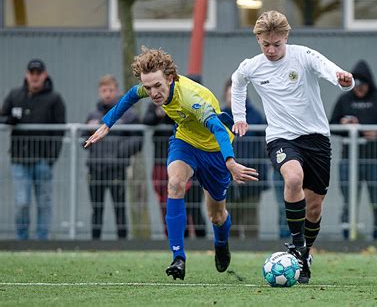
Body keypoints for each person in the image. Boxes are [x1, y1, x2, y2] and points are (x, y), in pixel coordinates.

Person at [85, 46, 258, 280]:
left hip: (215, 150)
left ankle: (221, 242)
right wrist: (107, 124)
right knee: (174, 184)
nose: (153, 93)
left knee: (216, 215)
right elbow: (131, 96)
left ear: (170, 77)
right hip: (184, 142)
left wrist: (230, 161)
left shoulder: (190, 98)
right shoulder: (151, 87)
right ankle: (178, 257)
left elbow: (217, 127)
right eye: (149, 87)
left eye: (157, 86)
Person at [231, 11, 354, 283]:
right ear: (258, 40)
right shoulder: (252, 66)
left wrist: (342, 78)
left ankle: (305, 253)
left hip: (317, 138)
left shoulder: (303, 55)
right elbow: (237, 83)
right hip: (281, 138)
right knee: (293, 177)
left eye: (277, 44)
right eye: (266, 45)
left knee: (314, 207)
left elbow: (328, 68)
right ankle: (297, 244)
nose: (271, 50)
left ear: (286, 37)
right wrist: (239, 116)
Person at [329, 60, 377, 240]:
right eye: (357, 85)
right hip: (348, 160)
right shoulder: (344, 99)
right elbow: (331, 124)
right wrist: (343, 125)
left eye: (363, 85)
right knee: (349, 201)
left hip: (375, 160)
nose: (359, 89)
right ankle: (348, 237)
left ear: (370, 83)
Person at [0, 59, 65, 240]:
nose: (35, 77)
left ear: (45, 75)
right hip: (19, 160)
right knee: (22, 202)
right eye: (32, 73)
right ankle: (22, 240)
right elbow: (2, 116)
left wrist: (51, 158)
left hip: (43, 161)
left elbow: (60, 130)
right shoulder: (14, 95)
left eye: (38, 73)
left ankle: (42, 241)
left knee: (44, 203)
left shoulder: (55, 99)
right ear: (26, 75)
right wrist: (9, 121)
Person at [83, 74, 142, 240]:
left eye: (111, 90)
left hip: (117, 169)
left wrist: (120, 153)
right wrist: (88, 131)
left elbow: (138, 139)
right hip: (95, 168)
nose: (107, 93)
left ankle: (122, 242)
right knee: (96, 208)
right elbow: (82, 140)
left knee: (119, 207)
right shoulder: (92, 116)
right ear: (99, 92)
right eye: (104, 90)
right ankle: (95, 242)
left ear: (117, 91)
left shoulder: (129, 115)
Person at [143, 102, 207, 238]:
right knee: (168, 203)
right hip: (162, 160)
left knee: (191, 203)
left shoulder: (183, 100)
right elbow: (147, 120)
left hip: (185, 159)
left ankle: (200, 239)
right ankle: (175, 239)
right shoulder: (155, 102)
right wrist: (158, 114)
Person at [220, 78, 269, 239]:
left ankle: (253, 249)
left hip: (251, 175)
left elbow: (263, 146)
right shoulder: (220, 117)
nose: (232, 99)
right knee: (229, 216)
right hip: (226, 175)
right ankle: (230, 249)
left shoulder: (255, 116)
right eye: (229, 95)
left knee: (250, 217)